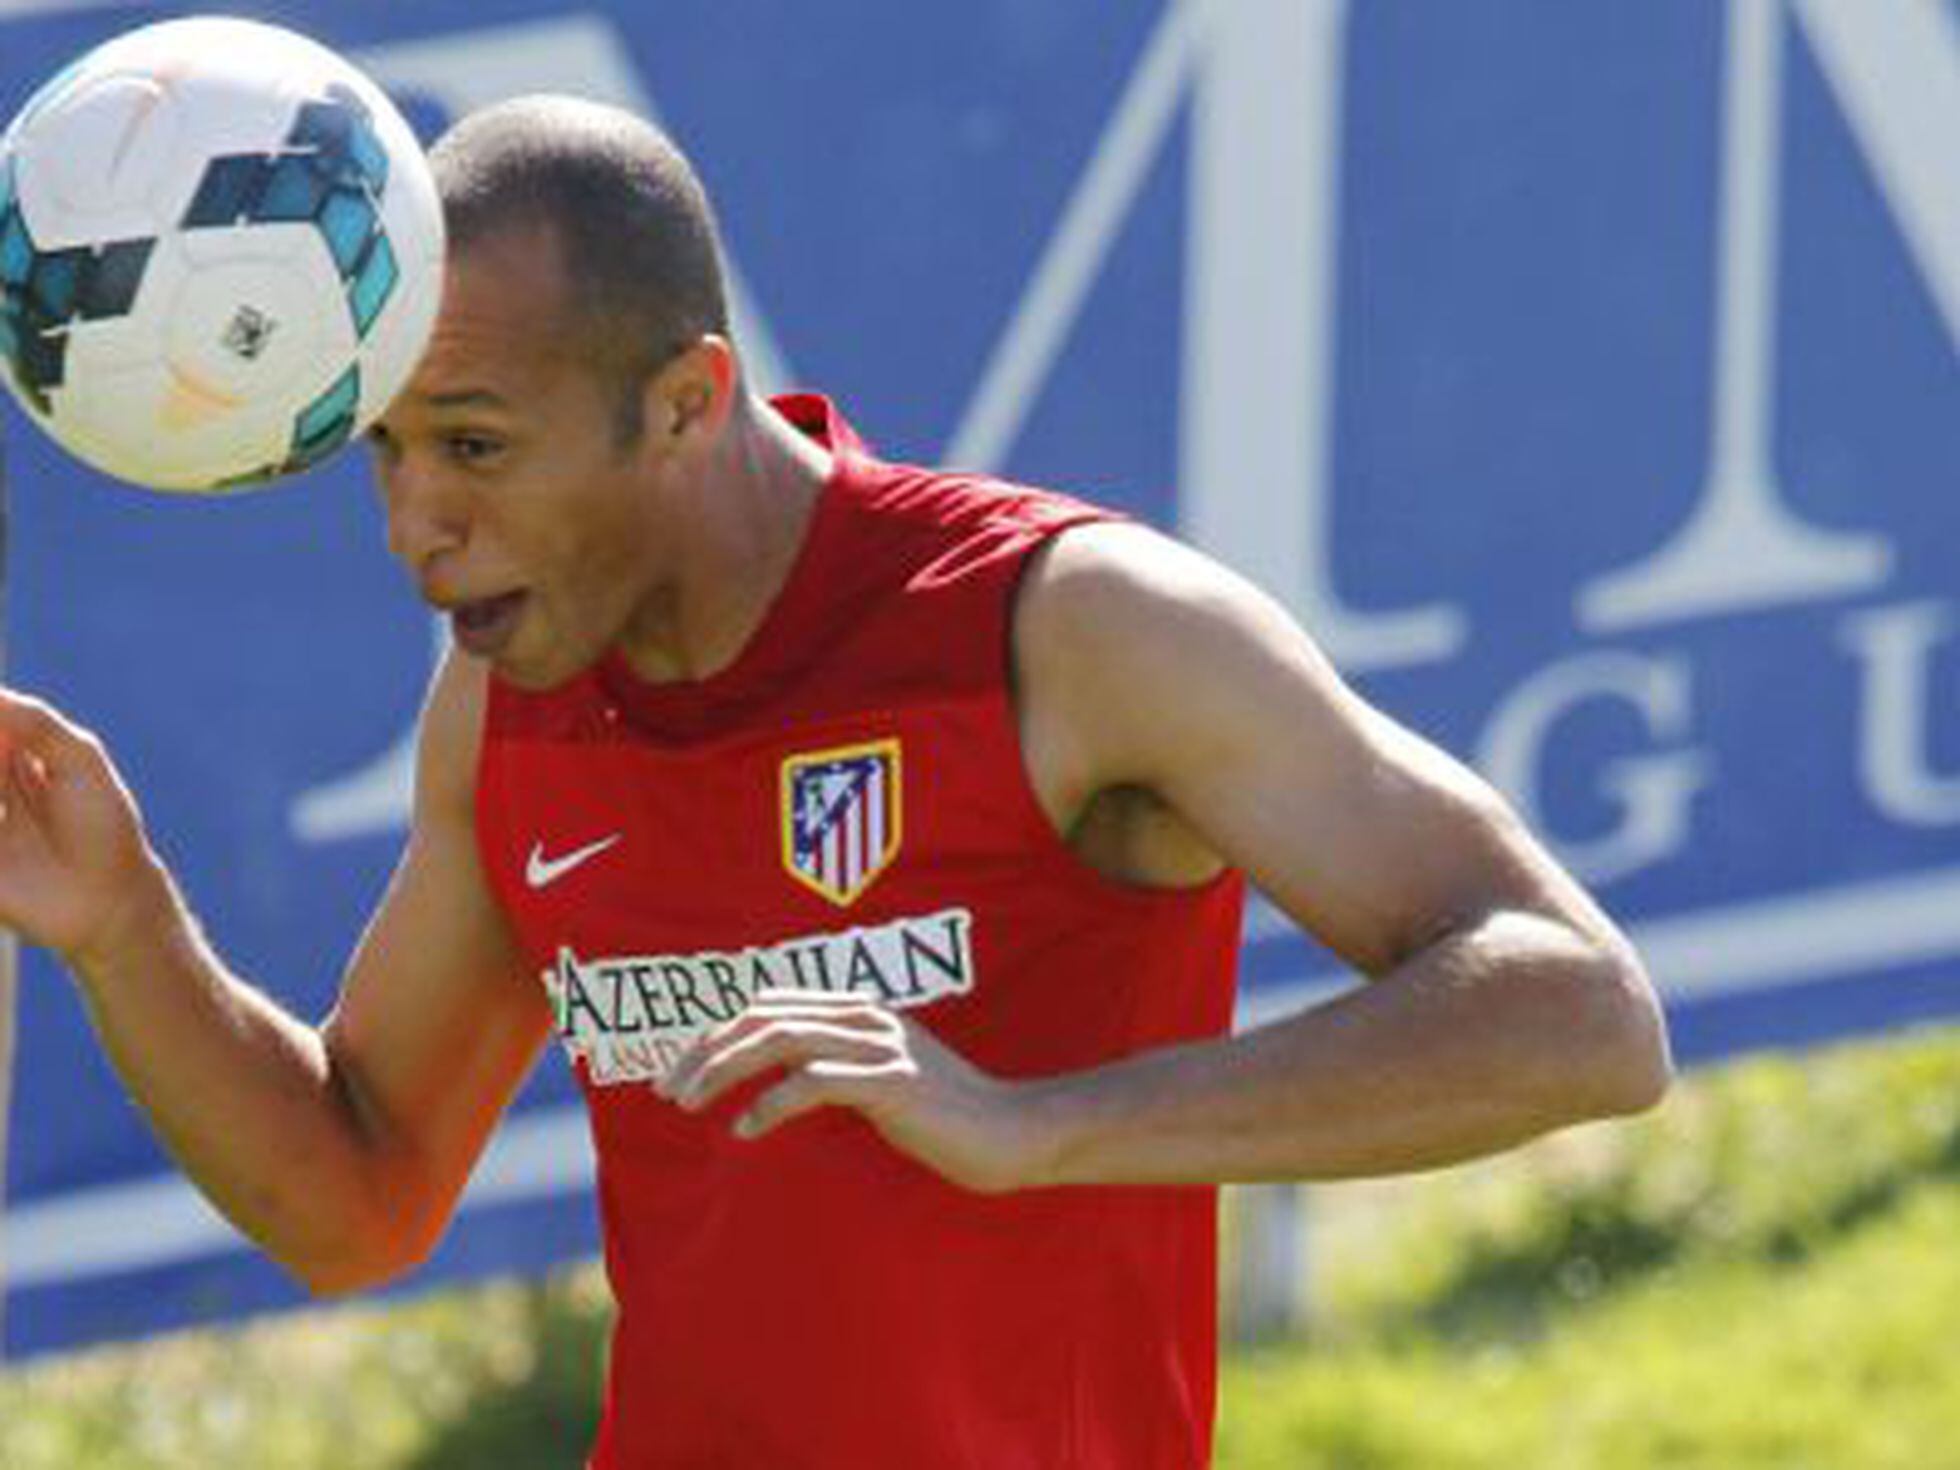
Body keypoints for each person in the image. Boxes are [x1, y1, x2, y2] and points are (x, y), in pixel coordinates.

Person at [0, 96, 1670, 1467]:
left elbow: (1580, 1010)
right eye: (389, 449)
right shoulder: (506, 698)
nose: (415, 526)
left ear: (686, 401)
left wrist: (1036, 1128)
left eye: (479, 446)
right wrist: (125, 923)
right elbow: (354, 1198)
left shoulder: (1072, 629)